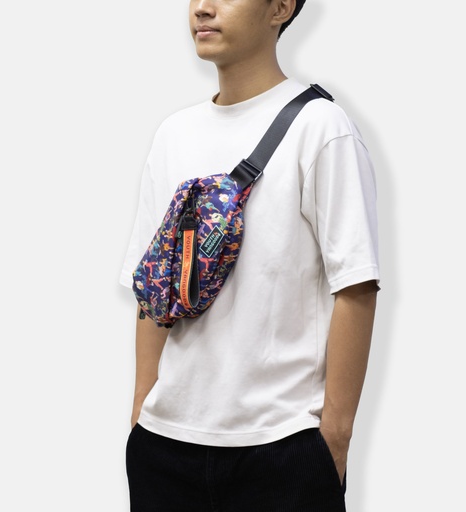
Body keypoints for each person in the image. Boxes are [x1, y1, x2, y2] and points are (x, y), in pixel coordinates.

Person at [119, 0, 380, 510]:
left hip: (281, 445)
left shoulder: (322, 127)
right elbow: (152, 291)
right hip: (165, 446)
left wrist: (335, 438)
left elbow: (355, 285)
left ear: (280, 8)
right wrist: (141, 411)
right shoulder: (174, 134)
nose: (202, 8)